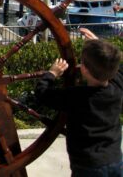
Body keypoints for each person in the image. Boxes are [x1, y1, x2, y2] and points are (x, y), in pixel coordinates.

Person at [35, 27, 122, 177]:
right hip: (115, 159)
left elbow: (42, 94)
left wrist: (52, 73)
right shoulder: (118, 87)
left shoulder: (76, 97)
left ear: (84, 70)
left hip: (87, 165)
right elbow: (115, 67)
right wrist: (97, 43)